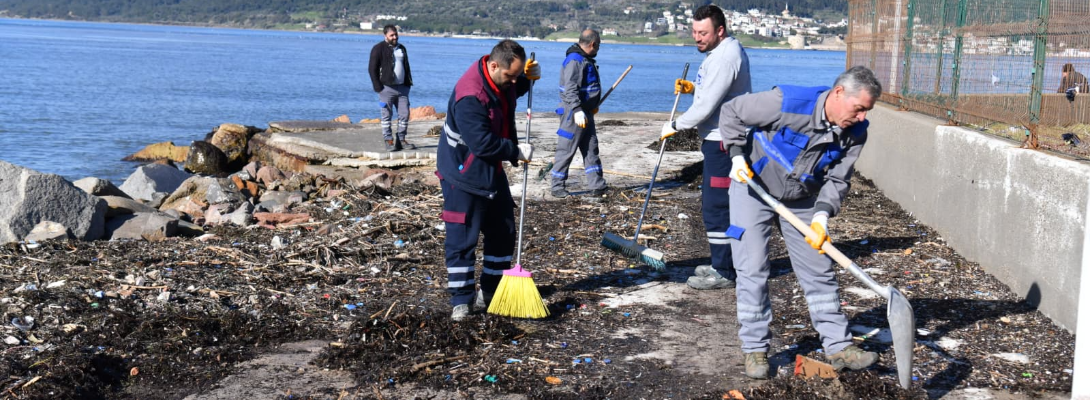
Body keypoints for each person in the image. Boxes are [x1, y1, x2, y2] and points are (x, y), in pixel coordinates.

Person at [720, 66, 882, 379]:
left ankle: (838, 346)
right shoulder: (787, 102)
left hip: (804, 197)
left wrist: (822, 214)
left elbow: (838, 178)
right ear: (838, 94)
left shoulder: (857, 131)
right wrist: (737, 154)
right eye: (859, 108)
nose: (862, 117)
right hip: (753, 185)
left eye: (867, 111)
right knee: (752, 267)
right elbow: (732, 112)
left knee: (818, 269)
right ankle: (755, 349)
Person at [437, 39, 541, 321]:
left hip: (490, 171)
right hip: (462, 173)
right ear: (494, 65)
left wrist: (526, 82)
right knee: (463, 238)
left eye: (517, 75)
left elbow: (507, 93)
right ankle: (461, 301)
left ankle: (492, 292)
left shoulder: (499, 80)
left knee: (503, 231)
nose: (513, 81)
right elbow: (482, 144)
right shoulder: (470, 95)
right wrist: (515, 151)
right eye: (511, 75)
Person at [659, 4, 752, 290]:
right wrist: (692, 88)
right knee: (717, 204)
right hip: (717, 138)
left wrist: (676, 125)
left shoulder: (725, 57)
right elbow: (712, 93)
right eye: (695, 32)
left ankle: (724, 270)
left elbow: (708, 106)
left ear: (720, 31)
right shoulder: (719, 53)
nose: (697, 38)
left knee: (717, 206)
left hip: (724, 142)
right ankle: (721, 262)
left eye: (703, 33)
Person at [550, 29, 607, 198]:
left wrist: (591, 105)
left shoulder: (585, 59)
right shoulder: (574, 61)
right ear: (592, 44)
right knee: (566, 149)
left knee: (591, 148)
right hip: (573, 114)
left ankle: (597, 185)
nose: (598, 48)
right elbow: (570, 90)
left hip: (586, 112)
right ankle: (557, 186)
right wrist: (576, 110)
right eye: (598, 45)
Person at [368, 24, 415, 152]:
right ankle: (388, 140)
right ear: (385, 36)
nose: (395, 37)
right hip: (386, 88)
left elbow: (406, 66)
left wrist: (408, 84)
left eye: (396, 34)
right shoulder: (378, 49)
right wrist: (378, 87)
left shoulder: (402, 48)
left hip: (403, 88)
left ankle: (401, 139)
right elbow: (372, 69)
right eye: (392, 35)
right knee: (386, 115)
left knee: (404, 114)